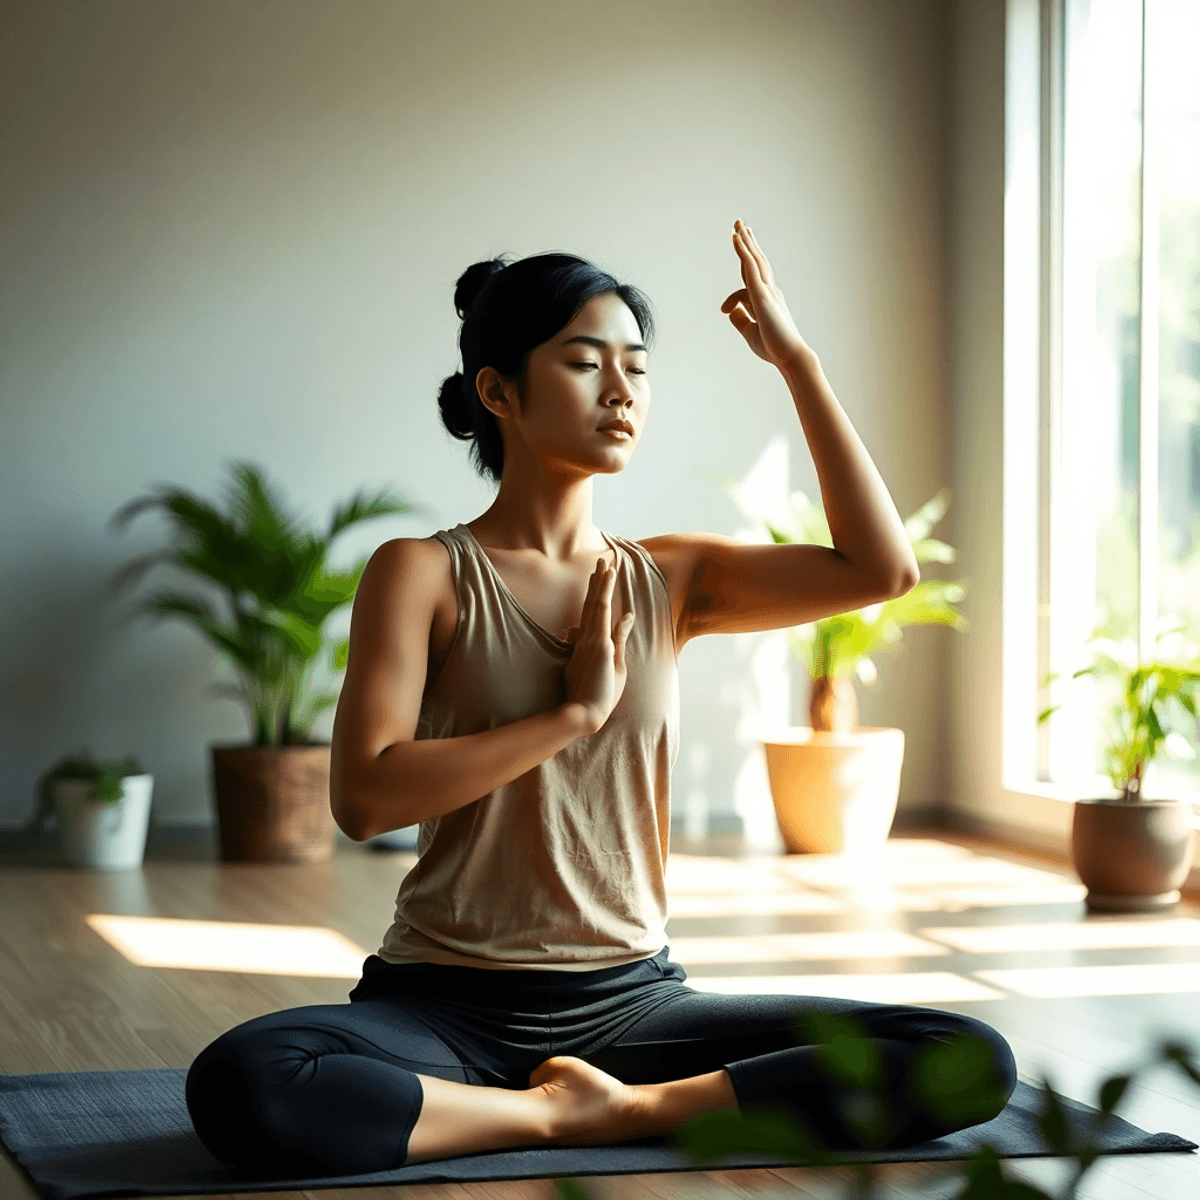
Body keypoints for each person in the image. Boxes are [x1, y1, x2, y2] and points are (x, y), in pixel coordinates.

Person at [185, 222, 1017, 1178]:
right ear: (499, 391)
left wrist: (795, 361)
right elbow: (365, 799)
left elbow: (881, 567)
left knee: (964, 1058)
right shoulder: (421, 573)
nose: (622, 390)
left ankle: (623, 1108)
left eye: (637, 365)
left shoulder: (670, 577)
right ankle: (557, 1121)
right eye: (585, 363)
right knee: (246, 1081)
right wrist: (568, 717)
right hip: (440, 1005)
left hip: (635, 1003)